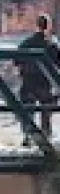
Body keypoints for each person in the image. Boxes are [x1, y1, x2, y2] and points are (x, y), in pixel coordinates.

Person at [16, 14, 60, 145]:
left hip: (28, 80)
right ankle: (45, 136)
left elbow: (16, 60)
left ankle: (28, 135)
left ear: (37, 25)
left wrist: (22, 71)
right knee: (46, 108)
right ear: (49, 26)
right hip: (45, 81)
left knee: (28, 108)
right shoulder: (52, 44)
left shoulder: (27, 42)